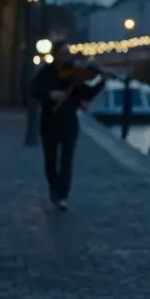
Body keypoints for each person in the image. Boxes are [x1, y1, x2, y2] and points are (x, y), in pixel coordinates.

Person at [29, 41, 105, 210]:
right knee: (50, 160)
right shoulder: (46, 72)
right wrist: (50, 94)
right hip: (49, 120)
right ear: (55, 55)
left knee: (66, 160)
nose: (67, 57)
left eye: (68, 54)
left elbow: (86, 92)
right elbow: (34, 90)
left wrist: (100, 81)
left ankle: (62, 195)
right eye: (64, 54)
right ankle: (53, 188)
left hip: (69, 121)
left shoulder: (74, 74)